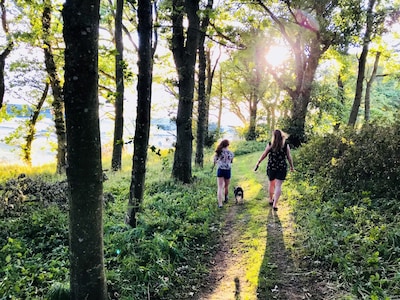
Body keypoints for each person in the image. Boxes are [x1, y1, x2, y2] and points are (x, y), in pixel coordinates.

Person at [254, 129, 294, 211]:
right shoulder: (285, 145)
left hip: (271, 167)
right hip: (281, 168)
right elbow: (289, 157)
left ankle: (270, 199)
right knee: (278, 185)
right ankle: (275, 204)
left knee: (271, 184)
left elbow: (264, 154)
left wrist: (258, 162)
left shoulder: (270, 144)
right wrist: (291, 167)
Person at [213, 139, 234, 208]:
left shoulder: (218, 152)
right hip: (227, 170)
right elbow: (231, 161)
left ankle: (220, 204)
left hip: (220, 170)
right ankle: (225, 198)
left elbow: (214, 161)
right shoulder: (230, 153)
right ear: (227, 145)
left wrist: (218, 163)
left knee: (220, 187)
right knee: (226, 186)